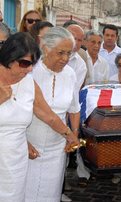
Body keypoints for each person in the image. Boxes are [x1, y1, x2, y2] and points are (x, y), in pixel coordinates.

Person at [0, 32, 79, 201]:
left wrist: (70, 135)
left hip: (16, 160)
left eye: (32, 64)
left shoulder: (28, 82)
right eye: (25, 63)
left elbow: (47, 115)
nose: (29, 69)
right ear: (9, 58)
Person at [24, 27, 81, 202]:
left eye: (69, 53)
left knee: (51, 194)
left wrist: (74, 135)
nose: (65, 59)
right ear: (46, 49)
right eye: (60, 53)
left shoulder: (70, 74)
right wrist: (23, 142)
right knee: (25, 192)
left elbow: (74, 109)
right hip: (29, 145)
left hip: (58, 147)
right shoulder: (30, 72)